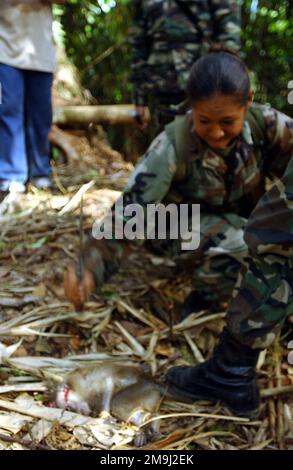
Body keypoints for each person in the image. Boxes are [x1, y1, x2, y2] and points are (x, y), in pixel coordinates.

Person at [64, 48, 293, 416]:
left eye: (228, 122)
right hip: (178, 226)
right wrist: (89, 268)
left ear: (248, 103)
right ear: (191, 109)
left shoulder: (268, 125)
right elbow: (129, 212)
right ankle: (208, 292)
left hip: (239, 224)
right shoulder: (171, 145)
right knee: (245, 251)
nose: (216, 132)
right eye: (205, 121)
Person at [130, 0, 242, 138]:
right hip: (160, 88)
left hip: (205, 86)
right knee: (164, 150)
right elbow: (139, 44)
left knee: (208, 149)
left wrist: (224, 84)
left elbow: (229, 34)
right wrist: (139, 98)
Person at [0, 0, 65, 211]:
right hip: (5, 53)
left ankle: (40, 174)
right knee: (8, 112)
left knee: (41, 117)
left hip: (41, 55)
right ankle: (11, 179)